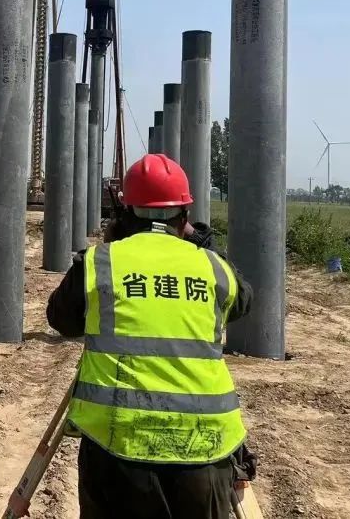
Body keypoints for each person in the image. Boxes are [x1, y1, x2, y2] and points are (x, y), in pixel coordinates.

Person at [47, 153, 253, 519]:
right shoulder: (213, 268)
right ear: (185, 216)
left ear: (125, 211)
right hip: (204, 448)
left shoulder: (99, 263)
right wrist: (201, 246)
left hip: (117, 448)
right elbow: (243, 301)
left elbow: (62, 320)